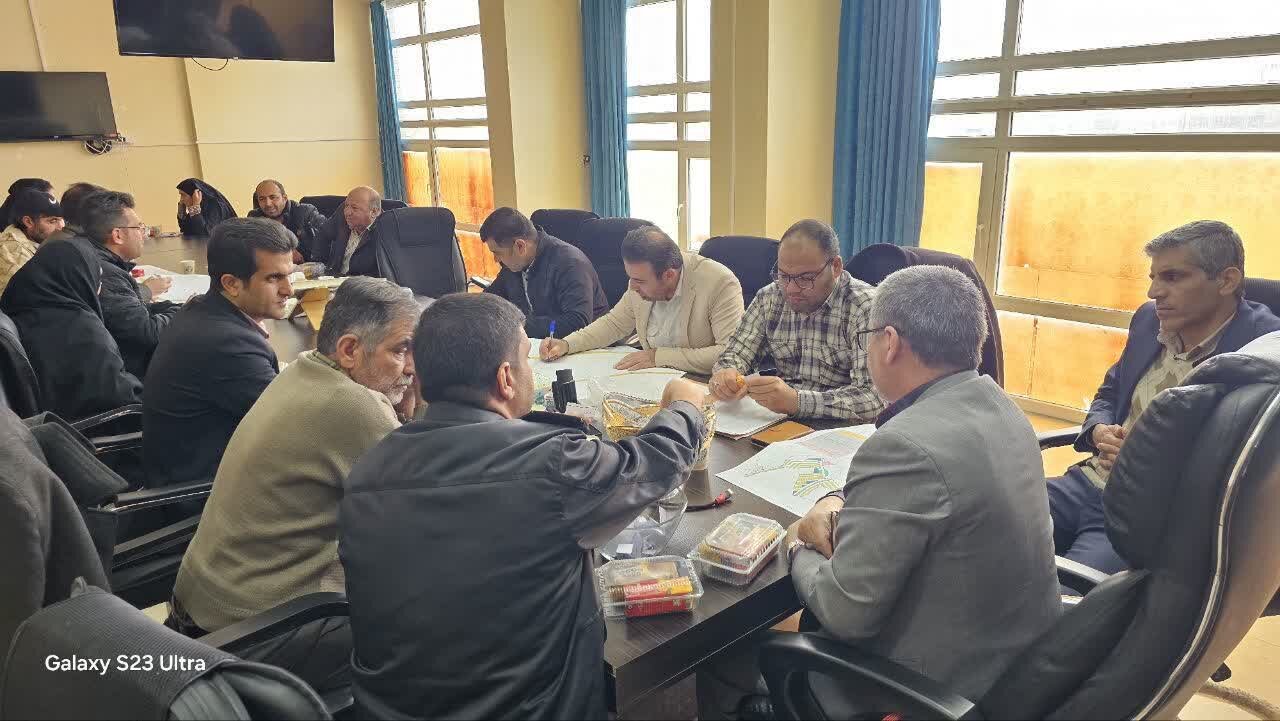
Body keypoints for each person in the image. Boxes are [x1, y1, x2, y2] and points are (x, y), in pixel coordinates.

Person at [697, 266, 1061, 719]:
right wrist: (834, 500)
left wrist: (797, 542)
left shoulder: (904, 445)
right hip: (1013, 664)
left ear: (889, 342)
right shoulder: (1002, 407)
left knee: (716, 652)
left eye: (866, 338)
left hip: (926, 690)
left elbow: (844, 613)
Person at [339, 293, 708, 720]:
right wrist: (684, 404)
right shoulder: (550, 464)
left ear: (419, 380)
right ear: (506, 378)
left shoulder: (366, 472)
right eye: (526, 361)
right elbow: (656, 463)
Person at [168, 277, 419, 691]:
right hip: (254, 633)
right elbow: (427, 509)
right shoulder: (353, 404)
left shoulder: (303, 370)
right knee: (440, 626)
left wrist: (401, 409)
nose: (411, 367)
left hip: (202, 612)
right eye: (400, 350)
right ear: (350, 350)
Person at [1050, 220, 1280, 577]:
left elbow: (1246, 461)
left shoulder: (1263, 348)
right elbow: (1111, 391)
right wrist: (1098, 429)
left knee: (1068, 594)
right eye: (1154, 277)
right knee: (978, 531)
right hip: (1084, 483)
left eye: (1173, 277)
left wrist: (1146, 462)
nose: (1153, 292)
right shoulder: (1148, 321)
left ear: (1227, 281)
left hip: (1142, 511)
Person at [142, 218, 296, 487]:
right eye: (274, 278)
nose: (289, 290)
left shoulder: (201, 308)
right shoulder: (228, 344)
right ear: (231, 284)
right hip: (208, 491)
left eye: (289, 275)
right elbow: (296, 425)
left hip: (194, 463)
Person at [709, 219, 882, 421]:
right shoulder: (770, 297)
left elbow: (874, 398)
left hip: (836, 427)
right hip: (775, 420)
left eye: (805, 278)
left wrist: (798, 402)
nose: (791, 289)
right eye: (783, 276)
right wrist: (727, 374)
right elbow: (736, 353)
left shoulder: (865, 307)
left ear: (835, 267)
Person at [539, 226, 745, 374]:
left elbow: (729, 353)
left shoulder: (720, 283)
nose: (632, 286)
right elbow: (613, 324)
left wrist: (658, 357)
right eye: (631, 278)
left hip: (700, 384)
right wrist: (567, 344)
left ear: (669, 275)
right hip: (653, 379)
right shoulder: (639, 283)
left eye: (639, 281)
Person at [0, 239, 142, 420]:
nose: (98, 289)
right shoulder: (80, 329)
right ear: (79, 278)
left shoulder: (24, 309)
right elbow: (124, 399)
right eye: (95, 279)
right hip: (105, 428)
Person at [78, 191, 181, 378]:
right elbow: (148, 334)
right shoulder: (106, 273)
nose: (144, 234)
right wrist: (187, 311)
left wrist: (177, 307)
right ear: (117, 235)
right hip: (131, 374)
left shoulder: (97, 260)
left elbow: (137, 312)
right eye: (139, 227)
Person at [480, 207, 609, 338]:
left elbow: (577, 322)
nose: (496, 259)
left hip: (590, 345)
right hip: (539, 344)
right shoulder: (513, 265)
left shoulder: (570, 262)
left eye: (497, 253)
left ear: (520, 246)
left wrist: (517, 326)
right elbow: (489, 301)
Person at [0, 190, 65, 298]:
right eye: (52, 221)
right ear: (28, 222)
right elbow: (30, 298)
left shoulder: (40, 241)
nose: (61, 227)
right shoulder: (12, 252)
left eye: (62, 219)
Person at [248, 179, 326, 263]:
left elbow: (326, 240)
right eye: (262, 199)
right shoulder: (255, 218)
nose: (268, 204)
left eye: (273, 197)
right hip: (271, 267)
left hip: (307, 267)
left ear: (284, 198)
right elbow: (250, 250)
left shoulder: (306, 212)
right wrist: (285, 254)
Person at [317, 186, 382, 276]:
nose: (347, 212)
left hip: (360, 282)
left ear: (374, 212)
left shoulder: (385, 232)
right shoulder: (341, 215)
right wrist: (319, 265)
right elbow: (323, 234)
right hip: (334, 278)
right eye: (346, 206)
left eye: (354, 208)